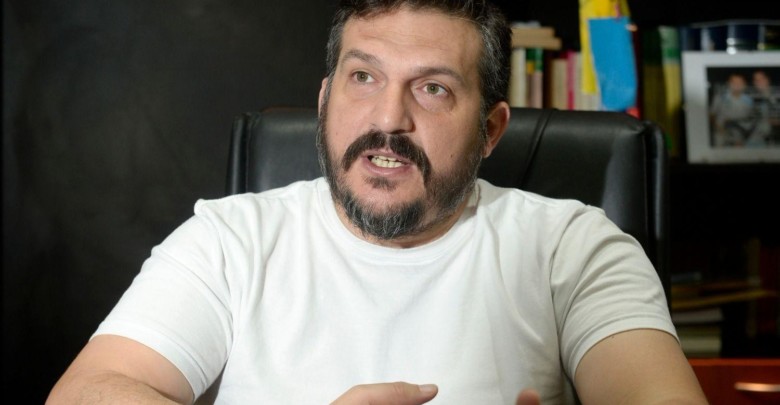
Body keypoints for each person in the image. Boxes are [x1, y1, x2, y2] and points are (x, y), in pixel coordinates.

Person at [47, 1, 708, 404]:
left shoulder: (574, 247)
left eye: (433, 89)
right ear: (325, 100)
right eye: (364, 77)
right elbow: (85, 393)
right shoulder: (229, 239)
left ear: (491, 130)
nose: (388, 119)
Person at [709, 73, 754, 147]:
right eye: (734, 82)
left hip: (740, 135)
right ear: (729, 84)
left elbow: (751, 118)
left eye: (740, 82)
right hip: (721, 134)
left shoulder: (749, 100)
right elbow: (711, 115)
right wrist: (718, 128)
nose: (737, 85)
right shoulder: (720, 97)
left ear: (744, 84)